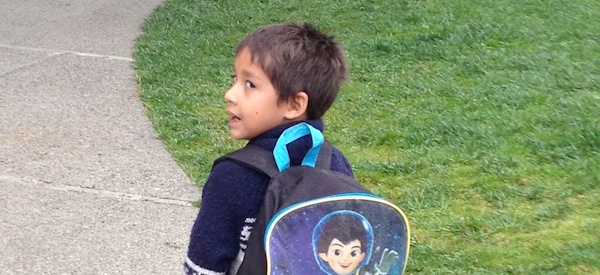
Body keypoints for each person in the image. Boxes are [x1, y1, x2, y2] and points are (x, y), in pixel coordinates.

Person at [184, 22, 353, 275]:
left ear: (294, 105)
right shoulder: (336, 166)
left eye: (249, 84)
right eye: (235, 79)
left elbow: (203, 267)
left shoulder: (231, 177)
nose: (230, 94)